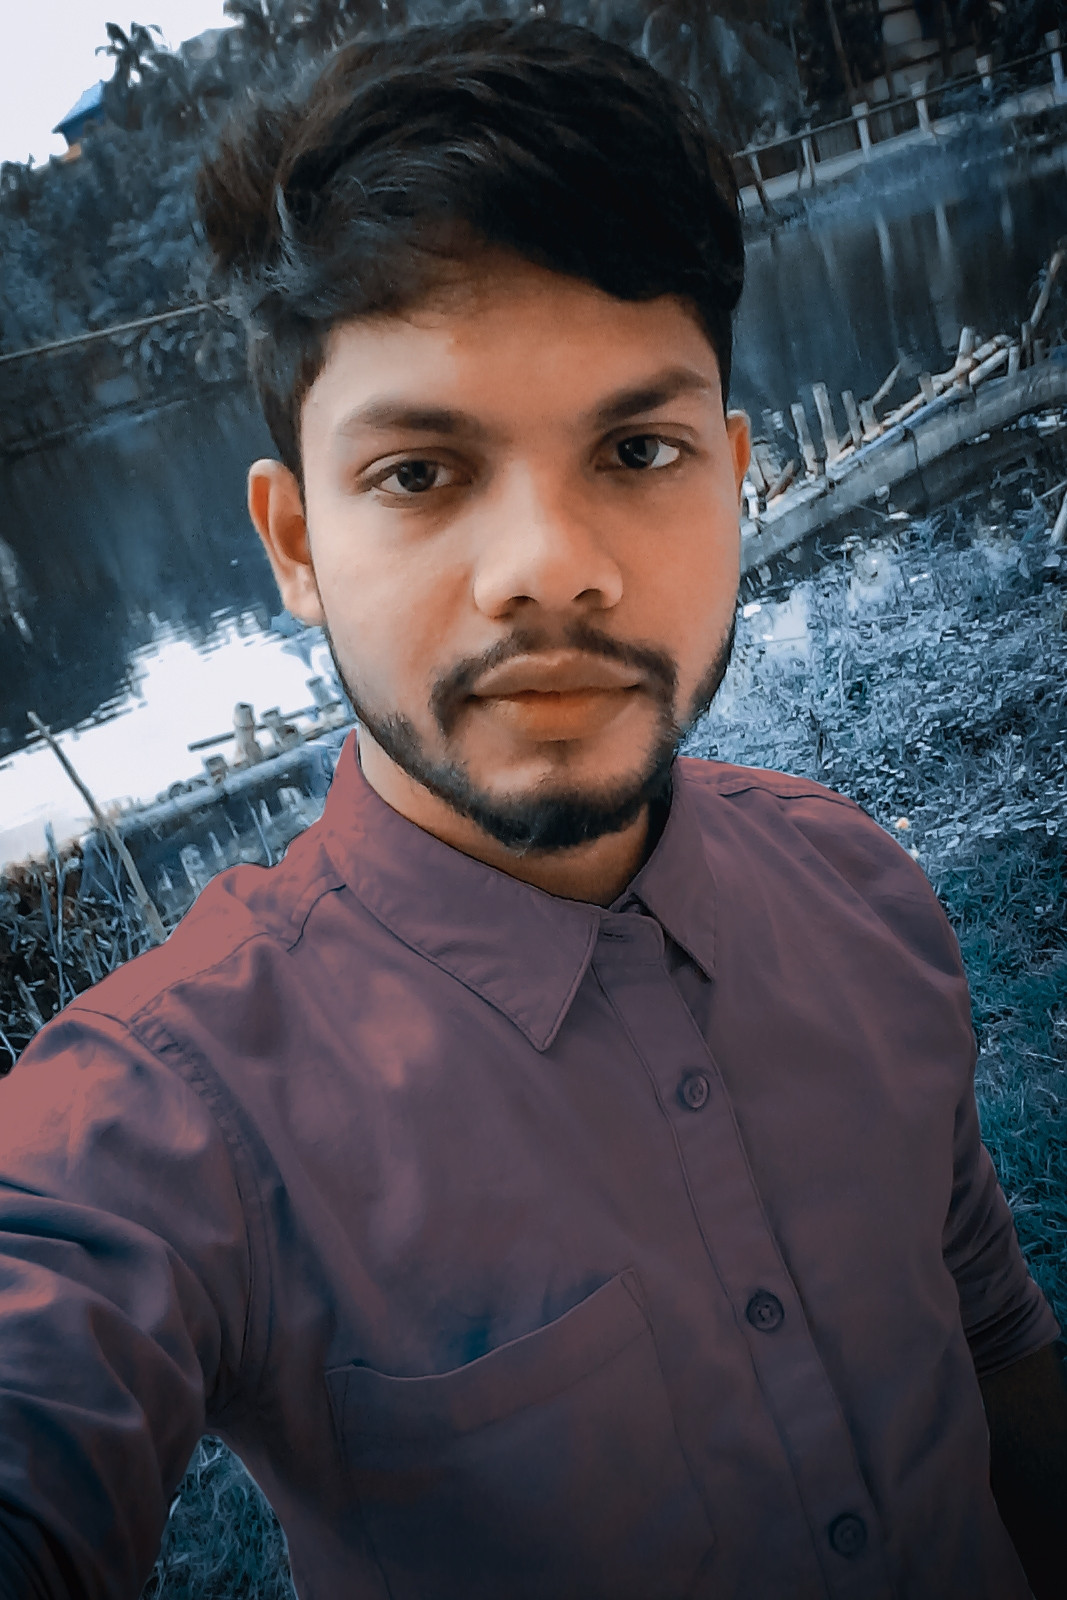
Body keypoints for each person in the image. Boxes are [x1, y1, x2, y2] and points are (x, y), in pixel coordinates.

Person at [1, 18, 1064, 1600]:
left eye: (638, 449)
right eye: (422, 475)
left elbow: (990, 1337)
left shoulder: (860, 889)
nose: (549, 567)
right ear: (295, 544)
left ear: (735, 478)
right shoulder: (180, 1111)